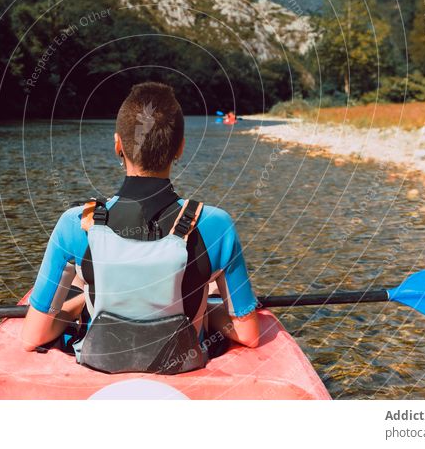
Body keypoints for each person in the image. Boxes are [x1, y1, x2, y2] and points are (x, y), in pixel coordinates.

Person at [21, 82, 259, 373]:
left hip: (101, 368)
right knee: (204, 286)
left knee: (79, 280)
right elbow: (248, 334)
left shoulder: (75, 223)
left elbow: (33, 336)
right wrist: (206, 310)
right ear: (180, 147)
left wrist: (80, 304)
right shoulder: (215, 224)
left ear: (118, 144)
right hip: (183, 368)